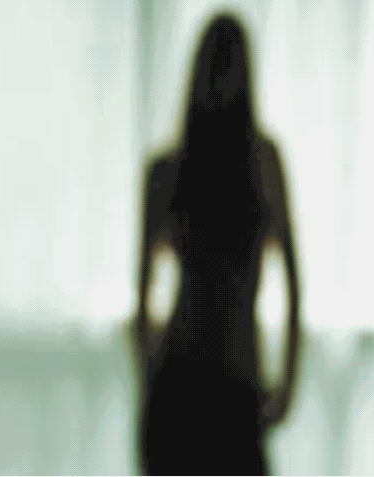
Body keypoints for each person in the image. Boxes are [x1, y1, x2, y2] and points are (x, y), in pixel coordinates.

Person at [137, 13, 299, 476]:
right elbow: (141, 293)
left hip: (225, 380)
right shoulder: (173, 171)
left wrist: (288, 381)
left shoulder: (257, 164)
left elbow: (294, 284)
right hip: (192, 380)